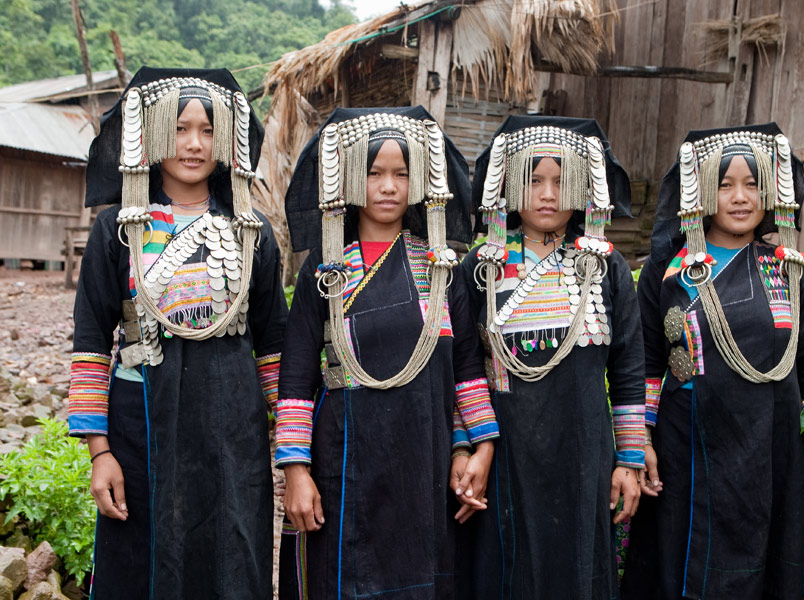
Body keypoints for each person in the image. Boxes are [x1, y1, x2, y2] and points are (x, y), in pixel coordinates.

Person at [67, 67, 286, 599]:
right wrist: (100, 453)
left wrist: (288, 448)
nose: (194, 144)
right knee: (143, 556)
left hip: (232, 429)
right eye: (181, 129)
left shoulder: (251, 232)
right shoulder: (116, 230)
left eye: (209, 131)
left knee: (231, 554)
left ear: (228, 139)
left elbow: (274, 344)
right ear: (154, 133)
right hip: (140, 421)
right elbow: (92, 343)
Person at [276, 107, 500, 599]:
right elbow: (295, 378)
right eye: (375, 173)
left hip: (425, 461)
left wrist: (476, 448)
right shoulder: (327, 268)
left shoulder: (442, 269)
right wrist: (296, 471)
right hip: (347, 463)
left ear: (419, 181)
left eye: (401, 174)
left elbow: (465, 370)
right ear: (353, 178)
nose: (388, 186)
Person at [621, 124, 804, 600]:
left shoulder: (789, 268)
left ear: (771, 190)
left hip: (769, 448)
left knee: (763, 561)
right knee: (683, 564)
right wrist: (642, 442)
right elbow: (648, 361)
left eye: (752, 183)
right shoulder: (670, 270)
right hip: (688, 448)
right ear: (699, 192)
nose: (740, 198)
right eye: (724, 184)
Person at [457, 116, 645, 599]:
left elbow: (628, 371)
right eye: (534, 180)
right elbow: (460, 367)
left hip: (583, 450)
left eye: (562, 182)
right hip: (505, 450)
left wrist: (628, 459)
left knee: (578, 567)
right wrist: (465, 446)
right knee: (505, 566)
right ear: (509, 185)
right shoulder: (481, 268)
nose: (547, 193)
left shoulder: (605, 268)